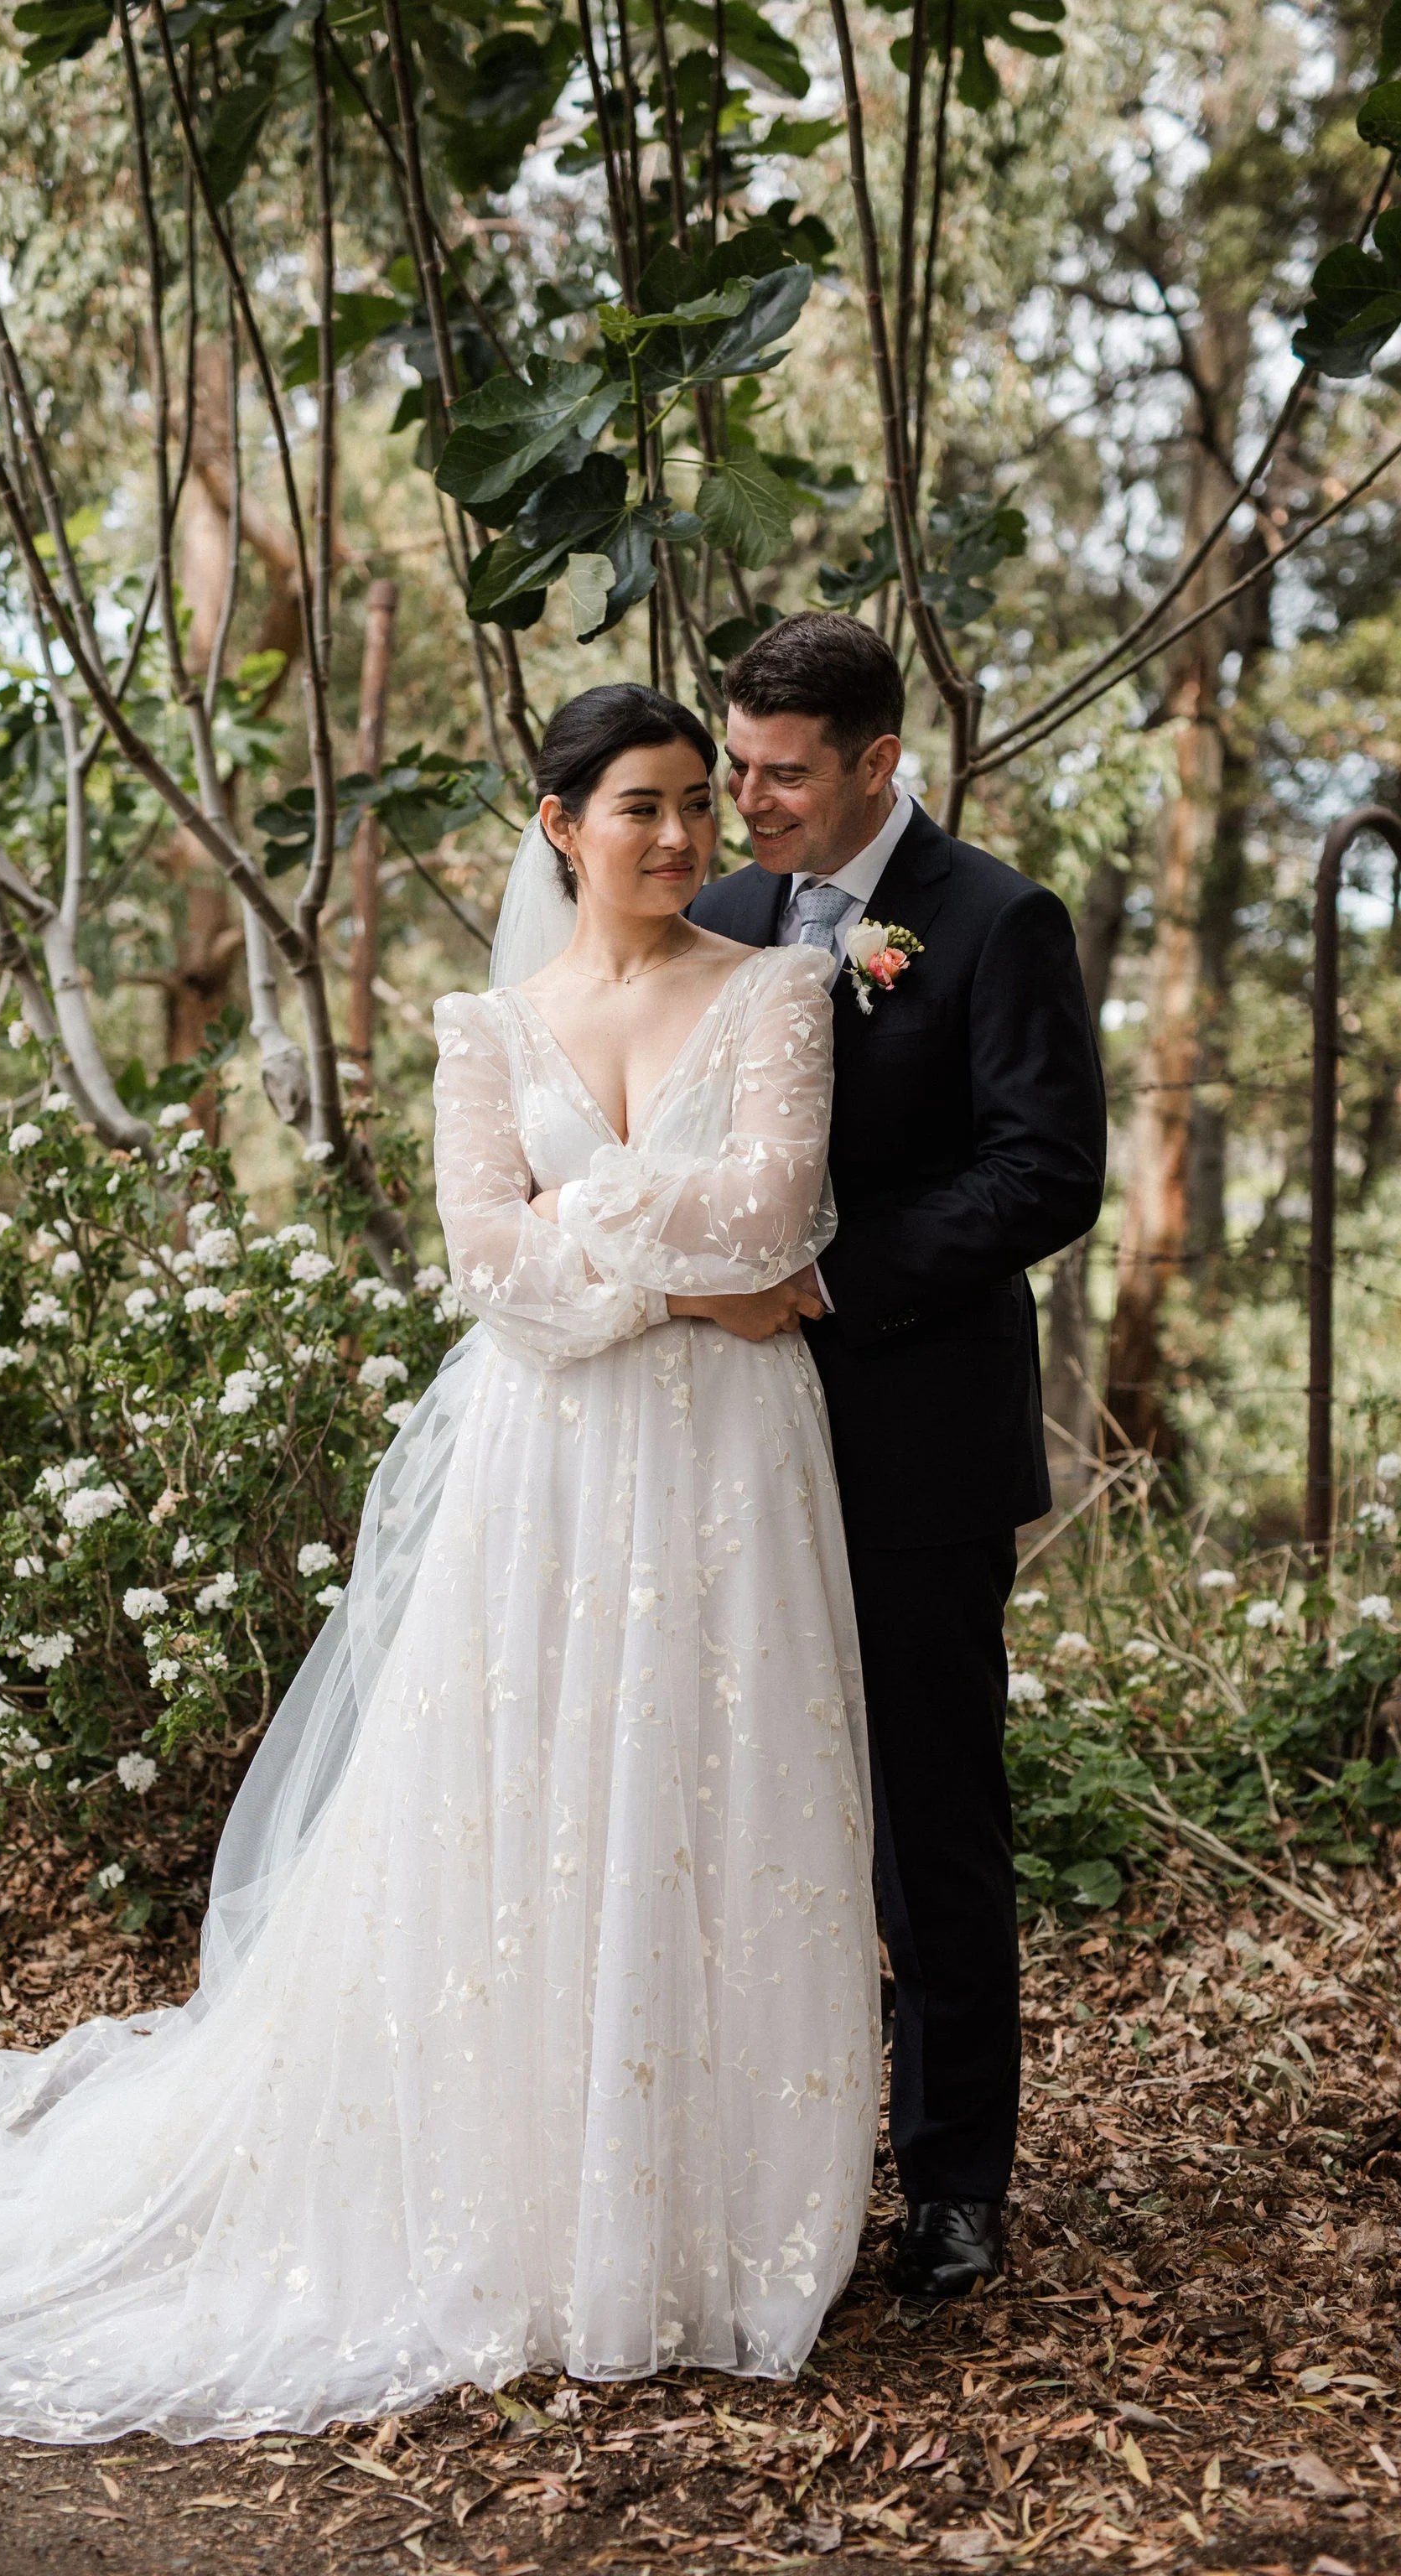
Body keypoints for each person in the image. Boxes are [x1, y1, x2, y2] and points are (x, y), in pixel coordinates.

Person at [0, 685, 880, 2443]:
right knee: (531, 1797)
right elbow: (484, 1265)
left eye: (700, 800)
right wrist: (663, 1258)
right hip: (541, 1464)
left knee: (712, 1792)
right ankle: (531, 2211)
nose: (686, 835)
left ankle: (693, 2230)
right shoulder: (487, 1025)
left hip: (722, 1464)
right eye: (643, 804)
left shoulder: (777, 988)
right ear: (558, 824)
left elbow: (780, 1211)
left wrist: (586, 1227)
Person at [689, 613, 1107, 2301]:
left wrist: (830, 1281)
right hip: (717, 1443)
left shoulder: (997, 921)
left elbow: (1046, 1173)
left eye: (781, 773)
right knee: (725, 1806)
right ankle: (735, 2159)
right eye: (733, 766)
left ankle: (952, 2185)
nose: (746, 802)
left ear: (875, 764)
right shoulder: (710, 917)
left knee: (929, 1820)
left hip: (910, 1443)